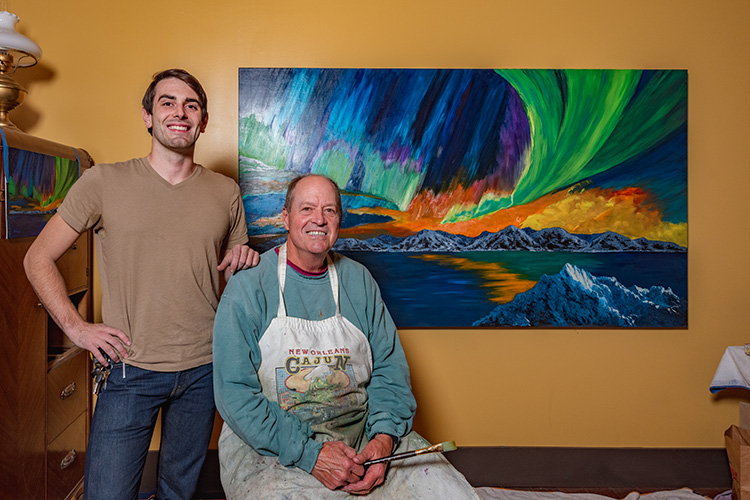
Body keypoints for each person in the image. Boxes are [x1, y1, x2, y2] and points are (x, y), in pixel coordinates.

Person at [23, 68, 259, 500]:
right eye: (167, 102)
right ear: (148, 116)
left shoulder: (226, 192)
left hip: (205, 370)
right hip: (130, 368)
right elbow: (37, 257)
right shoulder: (102, 183)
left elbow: (229, 280)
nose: (180, 112)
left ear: (203, 121)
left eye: (192, 105)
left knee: (178, 493)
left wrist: (243, 262)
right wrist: (77, 329)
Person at [213, 174, 479, 498]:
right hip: (275, 449)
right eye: (307, 208)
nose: (319, 220)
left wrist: (382, 440)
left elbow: (390, 370)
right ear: (286, 217)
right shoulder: (248, 288)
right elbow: (235, 395)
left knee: (452, 492)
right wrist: (312, 455)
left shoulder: (359, 281)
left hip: (363, 443)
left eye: (329, 211)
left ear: (339, 221)